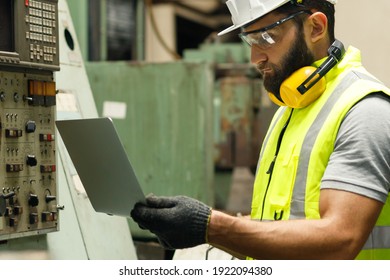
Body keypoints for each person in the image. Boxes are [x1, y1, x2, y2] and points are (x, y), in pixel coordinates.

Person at [131, 0, 390, 259]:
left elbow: (340, 239)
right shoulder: (288, 112)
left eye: (266, 37)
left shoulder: (365, 110)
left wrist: (211, 226)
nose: (255, 57)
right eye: (250, 40)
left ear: (316, 28)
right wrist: (196, 228)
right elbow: (280, 225)